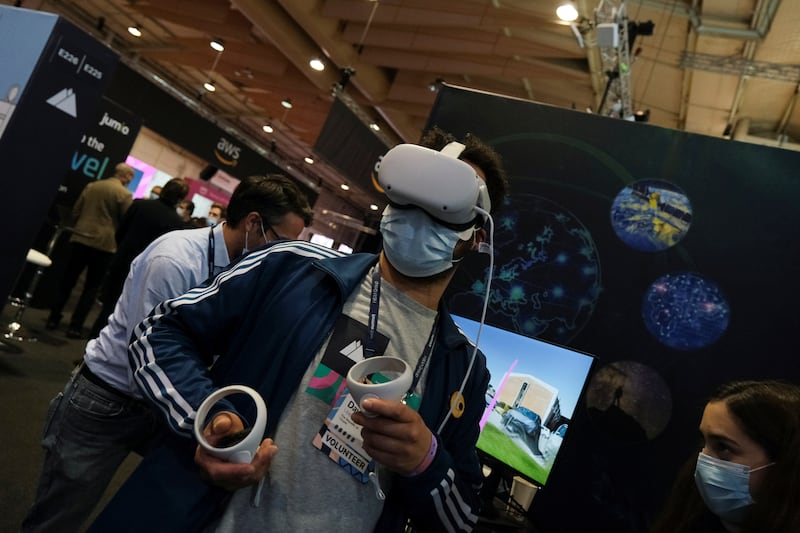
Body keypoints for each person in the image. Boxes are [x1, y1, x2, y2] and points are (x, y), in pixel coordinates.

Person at [89, 128, 509, 532]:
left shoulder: (463, 370)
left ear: (477, 235)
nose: (426, 209)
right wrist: (207, 416)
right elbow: (159, 332)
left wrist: (425, 461)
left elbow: (463, 518)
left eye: (450, 201)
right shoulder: (292, 268)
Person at [21, 175, 313, 533]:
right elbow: (149, 353)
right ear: (254, 223)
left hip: (159, 407)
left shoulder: (244, 270)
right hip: (107, 402)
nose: (283, 257)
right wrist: (209, 419)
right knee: (58, 519)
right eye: (281, 243)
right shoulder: (174, 260)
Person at [651, 380, 800, 533]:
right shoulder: (688, 523)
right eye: (704, 442)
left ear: (786, 460)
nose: (702, 460)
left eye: (723, 447)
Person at [88, 177, 189, 338]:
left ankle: (93, 344)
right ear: (180, 198)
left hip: (123, 262)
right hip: (148, 272)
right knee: (132, 313)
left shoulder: (139, 205)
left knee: (108, 308)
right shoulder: (176, 222)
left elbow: (120, 231)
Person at [46, 163, 134, 338]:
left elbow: (77, 210)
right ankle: (75, 326)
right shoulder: (124, 194)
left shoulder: (92, 186)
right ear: (126, 176)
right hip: (104, 245)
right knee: (91, 287)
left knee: (68, 280)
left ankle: (53, 317)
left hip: (80, 237)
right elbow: (126, 221)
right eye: (130, 176)